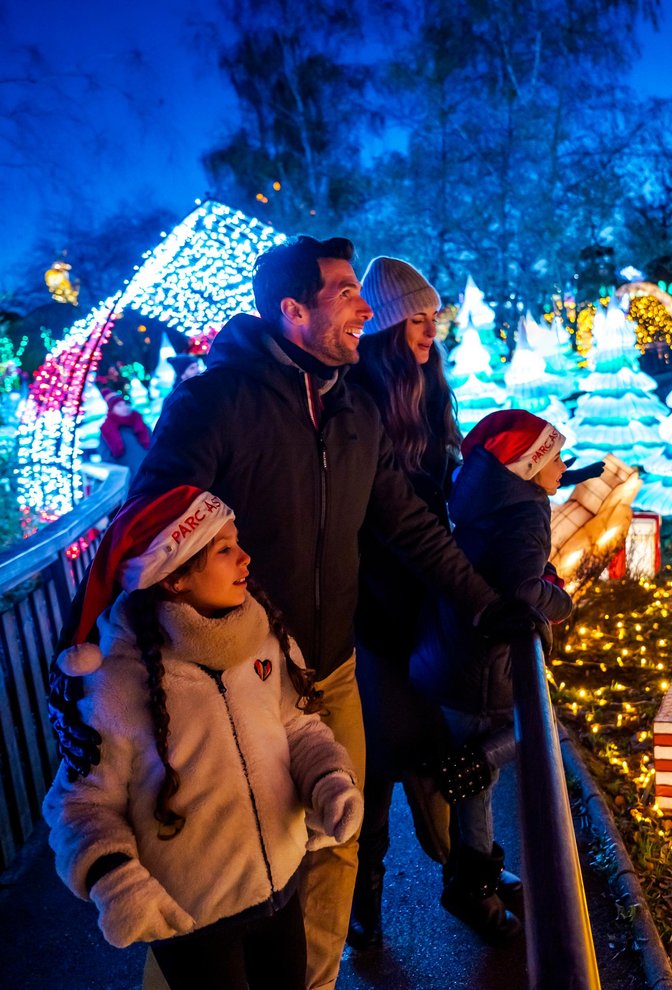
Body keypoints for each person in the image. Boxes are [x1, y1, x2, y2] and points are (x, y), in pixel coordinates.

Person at [48, 235, 542, 990]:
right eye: (344, 291)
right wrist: (115, 676)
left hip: (332, 668)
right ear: (291, 311)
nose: (362, 306)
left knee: (334, 835)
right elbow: (154, 531)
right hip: (225, 673)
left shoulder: (355, 411)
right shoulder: (218, 404)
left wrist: (486, 605)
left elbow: (406, 522)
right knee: (203, 860)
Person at [44, 486, 363, 990]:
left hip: (281, 887)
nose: (246, 558)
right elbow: (81, 804)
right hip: (191, 920)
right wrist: (121, 887)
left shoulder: (265, 637)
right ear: (174, 577)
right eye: (224, 549)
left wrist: (329, 782)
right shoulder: (117, 680)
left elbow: (299, 727)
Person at [343, 256, 477, 950]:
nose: (432, 334)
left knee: (413, 740)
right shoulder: (361, 398)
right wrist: (473, 592)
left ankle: (465, 874)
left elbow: (439, 485)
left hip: (418, 592)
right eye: (419, 322)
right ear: (391, 328)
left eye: (434, 320)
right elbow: (397, 515)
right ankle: (365, 902)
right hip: (372, 599)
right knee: (376, 751)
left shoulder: (428, 388)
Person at [410, 409, 575, 942]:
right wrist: (561, 600)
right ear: (527, 466)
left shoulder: (485, 499)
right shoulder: (526, 512)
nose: (562, 465)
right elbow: (526, 588)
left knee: (477, 782)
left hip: (451, 656)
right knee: (493, 762)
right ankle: (471, 886)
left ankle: (478, 870)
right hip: (482, 670)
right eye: (553, 457)